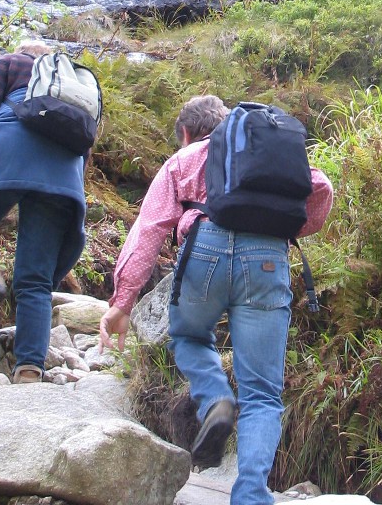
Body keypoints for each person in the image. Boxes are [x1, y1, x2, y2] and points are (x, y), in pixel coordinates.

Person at [99, 94, 334, 505]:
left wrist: (122, 302)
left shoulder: (184, 159)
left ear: (187, 132)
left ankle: (215, 399)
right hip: (266, 259)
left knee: (189, 336)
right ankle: (250, 496)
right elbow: (320, 189)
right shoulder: (268, 152)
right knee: (262, 392)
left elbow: (149, 229)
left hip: (203, 248)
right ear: (233, 125)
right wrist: (283, 227)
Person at [0, 40, 88, 384]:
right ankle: (29, 370)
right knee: (36, 281)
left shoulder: (10, 62)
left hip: (4, 152)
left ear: (26, 53)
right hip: (63, 175)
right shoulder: (75, 86)